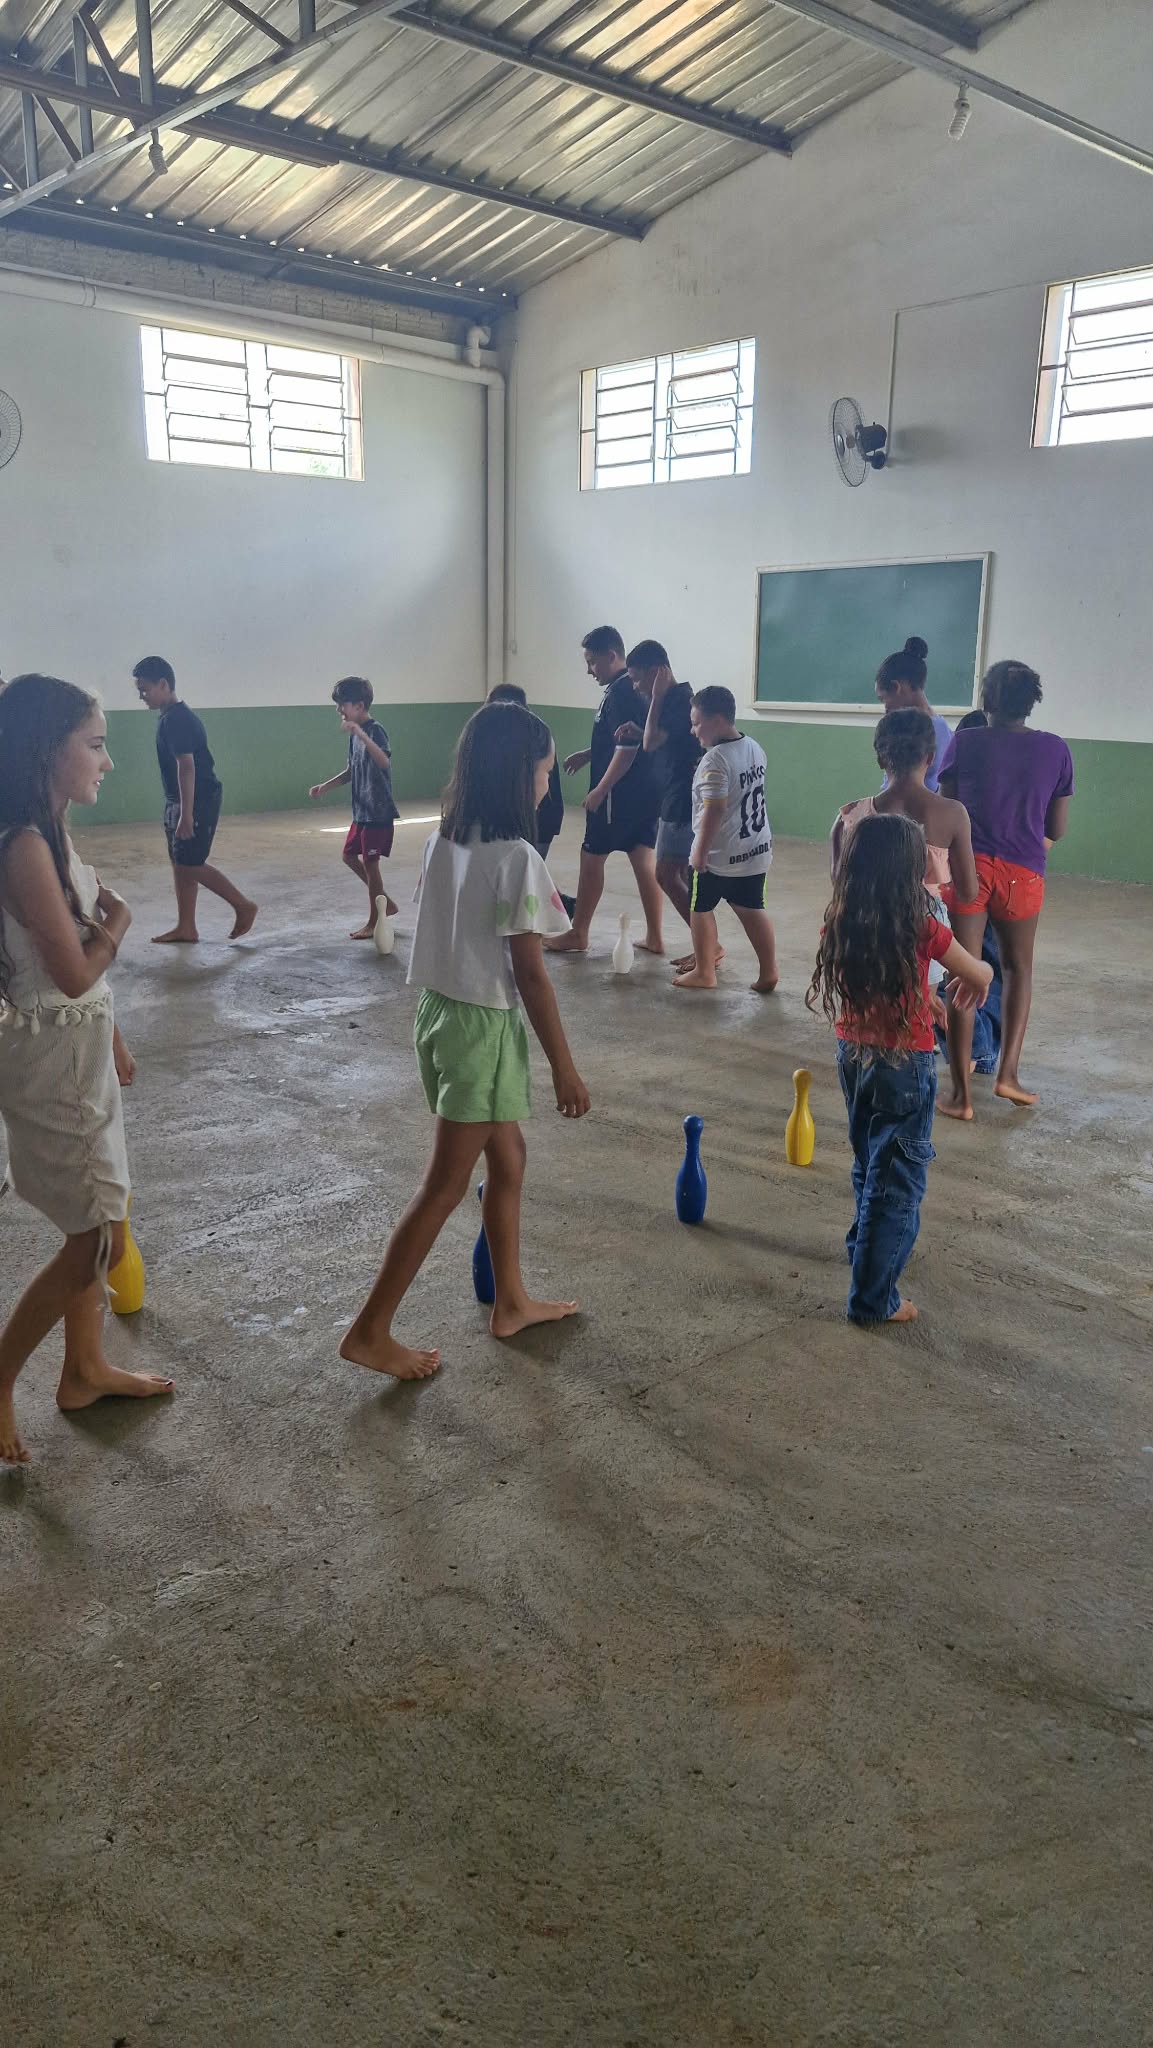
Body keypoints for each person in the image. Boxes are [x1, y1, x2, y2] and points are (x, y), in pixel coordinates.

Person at [339, 702, 590, 1382]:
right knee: (444, 1186)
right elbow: (531, 974)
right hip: (481, 1027)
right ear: (517, 774)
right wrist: (564, 1068)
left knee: (508, 1158)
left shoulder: (443, 841)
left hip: (440, 1014)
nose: (547, 783)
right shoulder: (517, 858)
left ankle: (511, 1303)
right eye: (544, 771)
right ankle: (369, 1331)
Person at [0, 674, 174, 1465]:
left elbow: (75, 953)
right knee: (93, 1238)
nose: (107, 761)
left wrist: (115, 1039)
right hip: (54, 1066)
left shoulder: (51, 829)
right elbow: (74, 972)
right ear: (48, 752)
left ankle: (84, 1370)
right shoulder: (25, 846)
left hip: (80, 1052)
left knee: (101, 1217)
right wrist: (123, 923)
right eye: (95, 745)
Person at [808, 813, 992, 1327]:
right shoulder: (921, 923)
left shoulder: (844, 915)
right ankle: (873, 1299)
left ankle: (863, 1251)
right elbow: (974, 970)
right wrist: (982, 974)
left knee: (870, 1161)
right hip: (904, 1066)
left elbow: (878, 976)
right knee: (898, 1183)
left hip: (853, 1055)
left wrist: (919, 996)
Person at [937, 659, 1073, 1117]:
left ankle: (960, 1096)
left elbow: (949, 809)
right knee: (1018, 970)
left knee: (963, 972)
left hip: (969, 869)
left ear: (986, 700)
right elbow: (1057, 827)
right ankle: (1008, 1075)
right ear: (1032, 702)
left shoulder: (965, 742)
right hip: (1023, 873)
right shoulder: (1055, 749)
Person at [547, 626, 663, 956]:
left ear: (612, 656)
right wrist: (589, 754)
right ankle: (655, 936)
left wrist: (601, 789)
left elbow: (626, 750)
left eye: (592, 662)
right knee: (642, 857)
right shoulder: (631, 688)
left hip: (618, 796)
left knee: (591, 855)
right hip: (644, 793)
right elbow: (623, 739)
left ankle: (579, 932)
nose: (589, 670)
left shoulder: (621, 691)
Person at [132, 655, 257, 945]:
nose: (142, 696)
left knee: (190, 863)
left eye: (145, 689)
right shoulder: (169, 716)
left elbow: (187, 767)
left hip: (198, 799)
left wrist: (186, 814)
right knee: (180, 862)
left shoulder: (178, 719)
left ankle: (243, 905)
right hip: (178, 799)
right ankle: (186, 927)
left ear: (164, 684)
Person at [673, 687, 778, 994]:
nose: (693, 731)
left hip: (720, 854)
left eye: (696, 723)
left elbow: (714, 809)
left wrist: (700, 850)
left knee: (700, 907)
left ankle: (705, 972)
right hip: (755, 849)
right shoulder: (754, 747)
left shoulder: (715, 760)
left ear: (717, 720)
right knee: (752, 907)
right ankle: (769, 971)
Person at [613, 641, 701, 968]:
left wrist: (658, 698)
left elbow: (652, 742)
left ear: (657, 673)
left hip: (682, 800)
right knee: (680, 876)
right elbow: (661, 739)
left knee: (665, 874)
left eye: (638, 679)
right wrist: (639, 730)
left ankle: (710, 946)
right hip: (673, 796)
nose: (635, 687)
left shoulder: (677, 700)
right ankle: (706, 945)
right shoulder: (672, 702)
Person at [935, 709, 1002, 1075]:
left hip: (965, 891)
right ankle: (984, 1049)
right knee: (991, 969)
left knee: (958, 967)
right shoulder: (1011, 786)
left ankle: (973, 1048)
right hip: (1006, 887)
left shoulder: (950, 798)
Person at [308, 676, 400, 939]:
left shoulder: (375, 730)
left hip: (377, 812)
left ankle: (375, 920)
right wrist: (325, 786)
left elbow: (383, 762)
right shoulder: (354, 736)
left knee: (371, 864)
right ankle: (386, 903)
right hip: (361, 811)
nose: (339, 710)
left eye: (343, 704)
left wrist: (361, 735)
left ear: (359, 706)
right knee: (349, 856)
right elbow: (352, 770)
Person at [487, 684, 565, 860]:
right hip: (540, 815)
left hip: (541, 816)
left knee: (529, 865)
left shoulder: (533, 733)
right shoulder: (534, 729)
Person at [874, 638, 953, 791]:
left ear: (896, 687)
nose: (885, 709)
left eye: (883, 699)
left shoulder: (911, 731)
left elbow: (894, 787)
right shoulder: (944, 729)